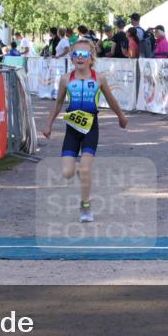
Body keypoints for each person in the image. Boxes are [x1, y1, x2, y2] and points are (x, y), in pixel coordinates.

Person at [41, 40, 129, 222]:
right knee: (67, 173)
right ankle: (80, 173)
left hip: (90, 129)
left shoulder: (99, 79)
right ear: (72, 58)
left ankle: (85, 206)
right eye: (76, 55)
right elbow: (58, 103)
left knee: (86, 168)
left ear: (91, 58)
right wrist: (48, 124)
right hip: (72, 130)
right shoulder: (66, 79)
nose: (80, 58)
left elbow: (111, 100)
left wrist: (121, 116)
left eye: (84, 55)